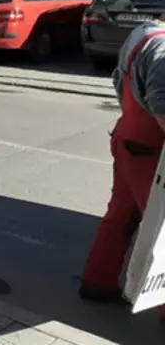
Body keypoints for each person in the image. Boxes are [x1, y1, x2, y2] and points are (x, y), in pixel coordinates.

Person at [81, 21, 165, 315]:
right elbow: (162, 108)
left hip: (128, 139)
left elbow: (120, 81)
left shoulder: (144, 33)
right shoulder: (163, 52)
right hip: (150, 153)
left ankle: (97, 282)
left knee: (121, 216)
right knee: (160, 230)